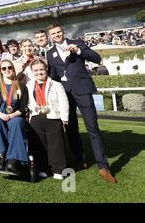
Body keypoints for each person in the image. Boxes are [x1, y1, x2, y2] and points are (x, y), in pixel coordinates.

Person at [46, 22, 117, 183]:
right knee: (71, 129)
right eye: (54, 33)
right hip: (65, 95)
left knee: (93, 128)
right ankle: (80, 159)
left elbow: (96, 58)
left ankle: (103, 167)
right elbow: (52, 75)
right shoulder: (50, 53)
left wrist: (78, 51)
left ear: (62, 32)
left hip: (83, 89)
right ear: (50, 37)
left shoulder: (77, 44)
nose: (57, 35)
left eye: (59, 32)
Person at [0, 60, 29, 175]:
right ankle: (0, 157)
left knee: (16, 123)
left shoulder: (22, 87)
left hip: (14, 115)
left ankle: (12, 160)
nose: (7, 70)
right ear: (0, 71)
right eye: (4, 68)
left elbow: (23, 107)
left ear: (13, 69)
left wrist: (11, 115)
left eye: (9, 67)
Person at [27, 59, 68, 180]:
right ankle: (42, 168)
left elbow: (64, 102)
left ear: (46, 70)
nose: (39, 72)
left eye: (41, 69)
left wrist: (64, 119)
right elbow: (28, 102)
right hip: (36, 118)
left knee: (56, 145)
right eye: (36, 70)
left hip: (53, 117)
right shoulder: (29, 86)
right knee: (39, 145)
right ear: (32, 72)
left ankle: (58, 170)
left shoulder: (56, 84)